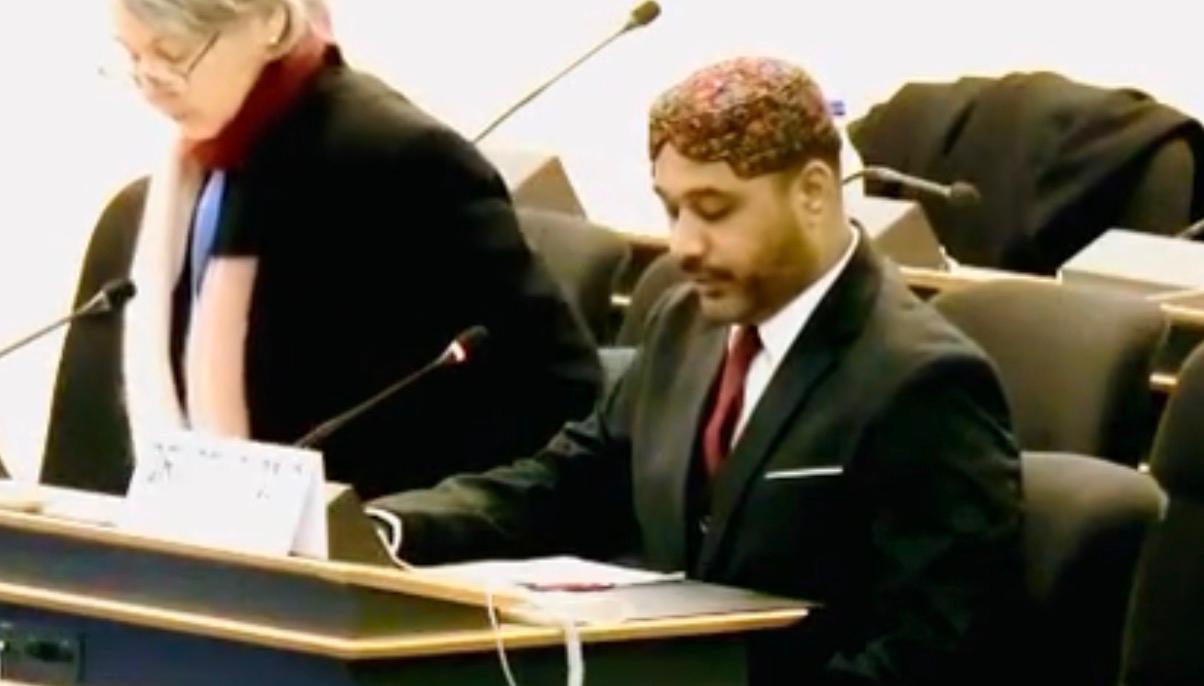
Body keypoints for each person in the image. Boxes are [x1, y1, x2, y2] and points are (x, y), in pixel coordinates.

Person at [371, 57, 1025, 685]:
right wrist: (384, 528)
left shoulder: (922, 381)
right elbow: (568, 481)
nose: (684, 245)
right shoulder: (684, 322)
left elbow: (930, 651)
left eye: (713, 210)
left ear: (813, 194)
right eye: (671, 209)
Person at [110, 0, 602, 498]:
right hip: (208, 521)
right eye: (133, 58)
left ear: (271, 22)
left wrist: (402, 519)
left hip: (378, 521)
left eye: (172, 55)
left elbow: (558, 395)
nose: (152, 85)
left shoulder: (401, 160)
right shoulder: (193, 176)